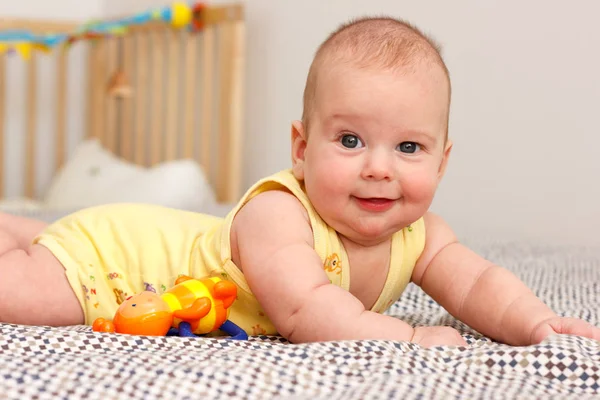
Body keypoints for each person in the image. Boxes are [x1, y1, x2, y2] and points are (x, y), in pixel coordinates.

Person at [1, 16, 598, 347]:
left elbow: (477, 288)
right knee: (23, 294)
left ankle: (27, 227)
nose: (379, 167)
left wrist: (535, 322)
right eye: (350, 141)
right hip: (123, 261)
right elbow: (307, 311)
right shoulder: (278, 215)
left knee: (45, 239)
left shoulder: (422, 234)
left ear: (441, 163)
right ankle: (26, 236)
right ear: (302, 149)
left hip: (139, 234)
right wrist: (405, 340)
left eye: (409, 147)